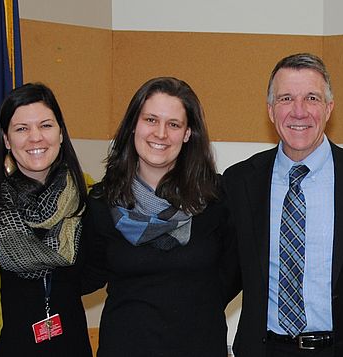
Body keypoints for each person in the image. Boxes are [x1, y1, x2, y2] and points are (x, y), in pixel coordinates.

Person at [223, 53, 343, 356]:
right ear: (271, 110)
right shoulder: (239, 182)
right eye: (286, 98)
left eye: (311, 98)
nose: (299, 112)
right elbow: (220, 273)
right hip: (264, 349)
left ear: (329, 108)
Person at [81, 77, 233, 356]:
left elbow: (234, 273)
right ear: (133, 126)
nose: (160, 133)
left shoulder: (217, 197)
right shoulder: (102, 202)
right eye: (151, 120)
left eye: (174, 124)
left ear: (188, 133)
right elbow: (86, 275)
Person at [0, 83, 92, 356]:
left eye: (46, 125)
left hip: (68, 341)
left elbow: (97, 270)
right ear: (6, 139)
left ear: (61, 133)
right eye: (21, 129)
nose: (35, 137)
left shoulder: (87, 194)